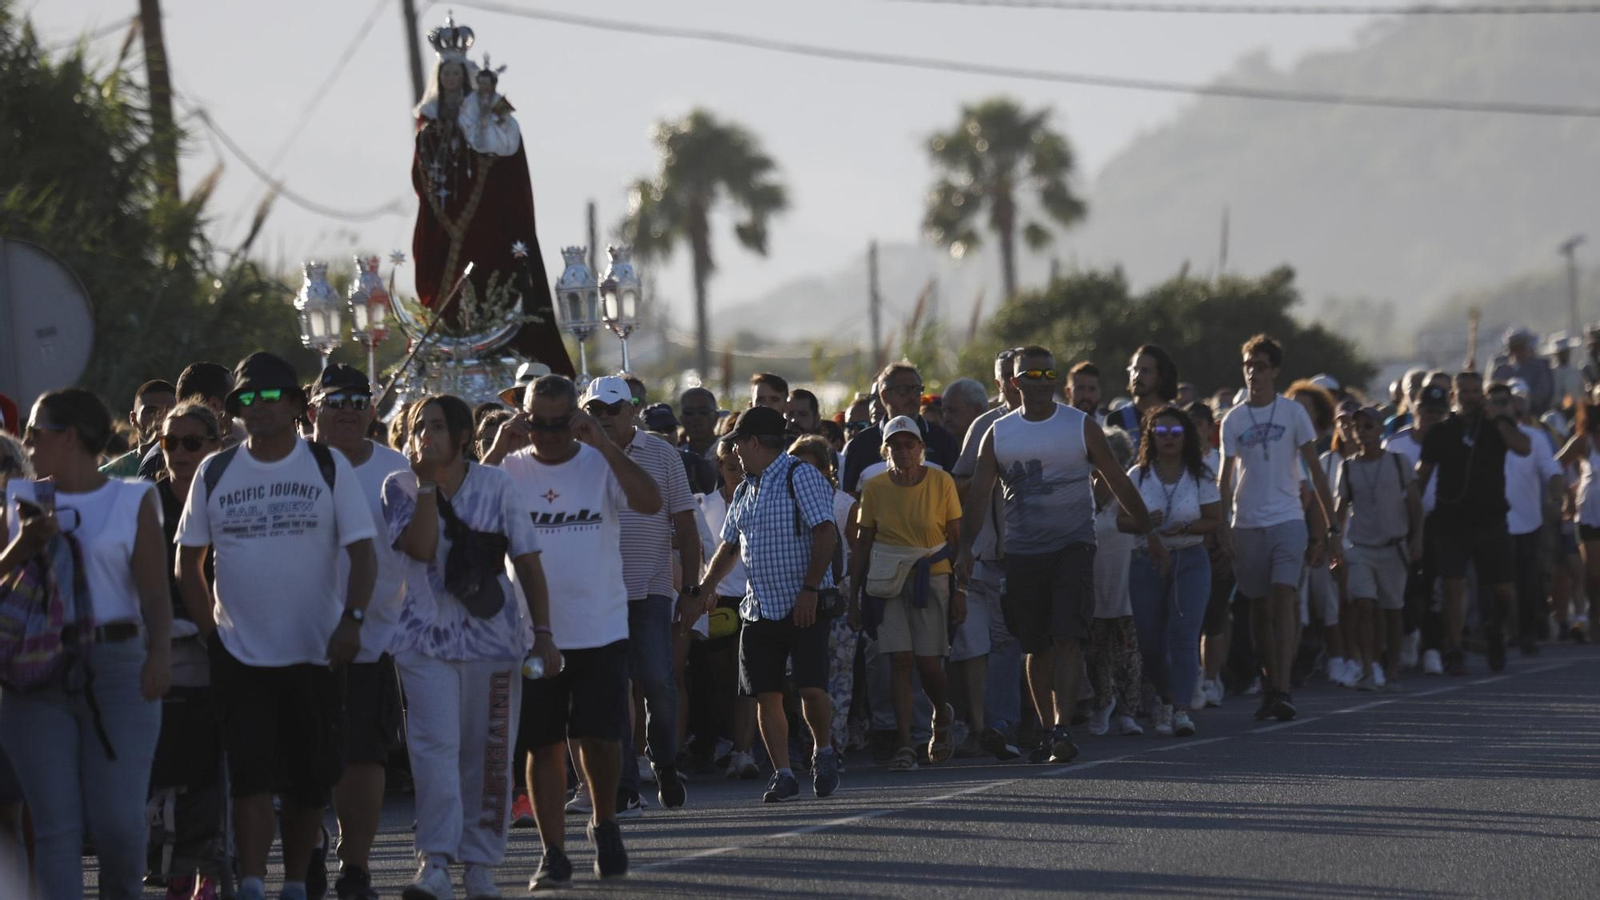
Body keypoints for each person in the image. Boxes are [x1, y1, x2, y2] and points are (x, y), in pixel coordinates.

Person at [176, 353, 377, 900]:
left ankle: (293, 884)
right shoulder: (215, 471)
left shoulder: (326, 465)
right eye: (246, 398)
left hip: (317, 651)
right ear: (234, 409)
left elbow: (363, 553)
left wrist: (353, 620)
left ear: (294, 405)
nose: (257, 406)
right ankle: (251, 883)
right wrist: (213, 639)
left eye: (269, 396)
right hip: (240, 655)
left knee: (309, 782)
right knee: (251, 779)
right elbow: (187, 565)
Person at [489, 375, 662, 888]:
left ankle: (604, 822)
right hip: (533, 633)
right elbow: (463, 515)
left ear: (577, 419)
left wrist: (603, 444)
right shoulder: (508, 468)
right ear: (523, 418)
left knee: (601, 739)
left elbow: (650, 502)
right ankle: (553, 851)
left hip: (599, 626)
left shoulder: (598, 460)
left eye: (557, 424)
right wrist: (497, 448)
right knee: (542, 745)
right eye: (536, 424)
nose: (546, 435)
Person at [958, 346, 1167, 765]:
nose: (1041, 383)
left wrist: (1150, 532)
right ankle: (1045, 728)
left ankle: (1062, 728)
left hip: (1074, 545)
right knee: (1036, 646)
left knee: (1068, 636)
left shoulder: (1079, 425)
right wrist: (965, 549)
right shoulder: (998, 433)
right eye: (1031, 376)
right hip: (1023, 551)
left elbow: (1117, 479)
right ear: (1014, 382)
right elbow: (979, 495)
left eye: (1048, 375)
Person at [1, 390, 171, 900]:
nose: (27, 443)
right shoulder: (20, 500)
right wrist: (23, 545)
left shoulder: (132, 499)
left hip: (117, 665)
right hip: (33, 672)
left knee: (118, 824)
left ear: (69, 436)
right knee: (56, 827)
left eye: (36, 432)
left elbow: (155, 592)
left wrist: (160, 654)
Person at [381, 394, 552, 900]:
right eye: (419, 427)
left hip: (493, 642)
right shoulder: (399, 486)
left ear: (461, 436)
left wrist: (544, 634)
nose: (426, 436)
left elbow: (527, 560)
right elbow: (419, 548)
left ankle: (480, 864)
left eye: (437, 426)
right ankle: (434, 862)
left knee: (489, 755)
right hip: (423, 642)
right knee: (434, 752)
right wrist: (426, 484)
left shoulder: (496, 485)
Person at [299, 365, 411, 900]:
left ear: (371, 409)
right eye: (335, 400)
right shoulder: (287, 463)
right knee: (300, 758)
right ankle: (309, 846)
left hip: (374, 637)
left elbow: (419, 549)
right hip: (294, 639)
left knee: (362, 757)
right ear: (311, 409)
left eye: (358, 400)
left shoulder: (397, 469)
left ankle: (356, 866)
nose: (347, 410)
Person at [409, 14, 571, 372]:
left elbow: (503, 154)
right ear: (439, 78)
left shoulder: (483, 113)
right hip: (446, 216)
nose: (451, 80)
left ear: (465, 77)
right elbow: (425, 170)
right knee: (447, 281)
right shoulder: (430, 122)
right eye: (446, 74)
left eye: (456, 74)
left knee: (489, 272)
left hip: (482, 214)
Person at [699, 407, 842, 803]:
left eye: (738, 444)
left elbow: (826, 533)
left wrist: (810, 589)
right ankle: (783, 773)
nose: (735, 452)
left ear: (755, 443)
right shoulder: (746, 488)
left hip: (804, 602)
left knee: (811, 688)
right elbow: (729, 546)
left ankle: (823, 751)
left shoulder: (801, 475)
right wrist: (705, 588)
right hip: (759, 606)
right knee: (766, 693)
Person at [576, 376, 699, 814]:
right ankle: (625, 785)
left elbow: (685, 524)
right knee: (614, 690)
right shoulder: (576, 456)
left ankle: (663, 762)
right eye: (595, 410)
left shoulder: (662, 454)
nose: (604, 418)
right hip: (596, 593)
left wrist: (691, 589)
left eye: (612, 409)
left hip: (650, 589)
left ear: (631, 411)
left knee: (659, 684)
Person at [1218, 335, 1340, 722]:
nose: (1253, 373)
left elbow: (1315, 471)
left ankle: (1283, 689)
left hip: (1287, 519)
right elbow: (1224, 478)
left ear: (1274, 371)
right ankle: (1269, 683)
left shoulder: (1293, 413)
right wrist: (1222, 526)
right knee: (1259, 607)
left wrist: (1332, 528)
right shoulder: (1234, 419)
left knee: (1284, 596)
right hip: (1247, 522)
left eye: (1260, 366)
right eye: (1248, 366)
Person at [847, 417, 962, 771]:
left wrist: (961, 589)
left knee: (929, 663)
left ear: (921, 448)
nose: (903, 451)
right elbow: (863, 543)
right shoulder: (875, 487)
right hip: (887, 579)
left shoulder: (941, 481)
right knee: (899, 659)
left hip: (932, 575)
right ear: (885, 450)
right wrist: (853, 597)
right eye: (895, 445)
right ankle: (905, 743)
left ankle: (941, 712)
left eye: (909, 444)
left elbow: (957, 540)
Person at [149, 404, 228, 900]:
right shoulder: (148, 502)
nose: (179, 452)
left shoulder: (229, 496)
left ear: (215, 445)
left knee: (217, 762)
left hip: (224, 638)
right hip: (163, 642)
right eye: (169, 442)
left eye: (191, 442)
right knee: (170, 761)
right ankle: (172, 862)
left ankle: (213, 867)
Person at [1416, 371, 1531, 676]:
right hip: (1451, 520)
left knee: (1504, 591)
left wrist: (1500, 420)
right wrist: (1411, 511)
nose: (1470, 397)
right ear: (1453, 396)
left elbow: (1523, 447)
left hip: (1491, 519)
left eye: (1475, 391)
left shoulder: (1496, 426)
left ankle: (1495, 629)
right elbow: (1423, 474)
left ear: (1482, 394)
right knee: (1453, 586)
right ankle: (1454, 648)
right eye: (1464, 391)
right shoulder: (1441, 431)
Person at [1121, 405, 1223, 737]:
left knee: (1183, 635)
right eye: (1161, 432)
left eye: (1176, 432)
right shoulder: (1137, 475)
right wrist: (1142, 522)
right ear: (1150, 436)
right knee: (1149, 641)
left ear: (1186, 436)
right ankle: (1164, 699)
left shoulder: (1200, 474)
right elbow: (1120, 520)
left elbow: (1214, 519)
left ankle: (1180, 709)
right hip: (1147, 560)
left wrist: (1189, 527)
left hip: (1190, 559)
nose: (1169, 438)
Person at [951, 348, 1025, 755]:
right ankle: (990, 727)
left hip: (1034, 551)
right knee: (988, 643)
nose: (1013, 383)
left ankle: (1033, 723)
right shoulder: (985, 426)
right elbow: (958, 486)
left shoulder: (1054, 423)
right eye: (1005, 376)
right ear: (998, 382)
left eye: (1019, 374)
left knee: (1025, 642)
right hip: (988, 555)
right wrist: (986, 473)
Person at [1335, 407, 1424, 690]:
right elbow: (1340, 509)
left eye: (1368, 426)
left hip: (1393, 547)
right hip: (1361, 547)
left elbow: (1414, 504)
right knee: (1363, 604)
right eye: (1358, 427)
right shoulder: (1347, 468)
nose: (1362, 432)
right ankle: (1368, 667)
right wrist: (1334, 542)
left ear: (1380, 429)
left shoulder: (1398, 463)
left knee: (1392, 610)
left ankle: (1392, 667)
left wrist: (1417, 538)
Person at [789, 436, 861, 762]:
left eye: (812, 468)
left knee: (839, 674)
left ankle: (835, 743)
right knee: (804, 675)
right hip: (797, 594)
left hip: (837, 595)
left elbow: (856, 555)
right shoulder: (784, 504)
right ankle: (809, 741)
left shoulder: (844, 505)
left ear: (827, 470)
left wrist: (855, 601)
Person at [696, 438, 761, 779]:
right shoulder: (702, 504)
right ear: (720, 467)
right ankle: (727, 739)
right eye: (731, 467)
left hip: (754, 598)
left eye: (741, 466)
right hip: (716, 600)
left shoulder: (761, 499)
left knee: (747, 678)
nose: (738, 473)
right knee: (722, 680)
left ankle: (743, 751)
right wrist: (703, 591)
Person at [1384, 383, 1449, 674]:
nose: (1431, 417)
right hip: (1403, 522)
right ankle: (1410, 635)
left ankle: (1433, 647)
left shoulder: (1451, 441)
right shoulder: (1396, 444)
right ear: (1415, 409)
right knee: (1407, 586)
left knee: (1435, 587)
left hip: (1440, 521)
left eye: (1437, 412)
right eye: (1426, 410)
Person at [1085, 428, 1144, 738]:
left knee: (1128, 651)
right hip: (1092, 580)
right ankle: (1102, 702)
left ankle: (1128, 712)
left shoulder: (1130, 491)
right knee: (1095, 650)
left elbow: (1147, 522)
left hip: (1125, 579)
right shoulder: (1082, 490)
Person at [1501, 382, 1564, 657]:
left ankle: (1526, 631)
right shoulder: (1480, 437)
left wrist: (1556, 500)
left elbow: (1552, 470)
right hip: (1493, 522)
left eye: (1506, 402)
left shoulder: (1535, 437)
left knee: (1528, 579)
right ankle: (1502, 629)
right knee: (1500, 581)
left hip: (1528, 521)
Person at [842, 362, 959, 496]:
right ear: (885, 395)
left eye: (917, 390)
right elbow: (850, 498)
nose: (912, 396)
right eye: (904, 390)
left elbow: (955, 494)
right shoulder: (861, 444)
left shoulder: (942, 440)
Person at [137, 362, 237, 480]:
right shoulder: (157, 463)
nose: (240, 409)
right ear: (214, 405)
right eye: (233, 400)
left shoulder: (227, 450)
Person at [1557, 401, 1600, 648]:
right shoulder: (1584, 441)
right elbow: (1554, 466)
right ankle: (1594, 618)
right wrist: (1568, 494)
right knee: (1594, 574)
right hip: (1590, 513)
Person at [1106, 345, 1179, 448]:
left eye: (1145, 371)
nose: (1137, 376)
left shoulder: (1178, 419)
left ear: (1161, 377)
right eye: (1134, 369)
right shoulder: (1116, 421)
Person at [100, 379, 176, 477]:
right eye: (150, 412)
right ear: (133, 419)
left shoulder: (190, 467)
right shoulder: (108, 476)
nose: (160, 419)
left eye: (169, 411)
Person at [1490, 327, 1553, 416]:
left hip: (1533, 414)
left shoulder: (1538, 368)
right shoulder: (1501, 369)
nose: (1518, 351)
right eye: (1515, 347)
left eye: (1521, 347)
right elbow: (1492, 390)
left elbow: (1542, 393)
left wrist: (1522, 401)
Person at [680, 387, 722, 459]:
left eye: (703, 412)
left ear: (716, 416)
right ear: (682, 419)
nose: (696, 418)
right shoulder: (674, 456)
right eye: (689, 413)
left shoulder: (730, 451)